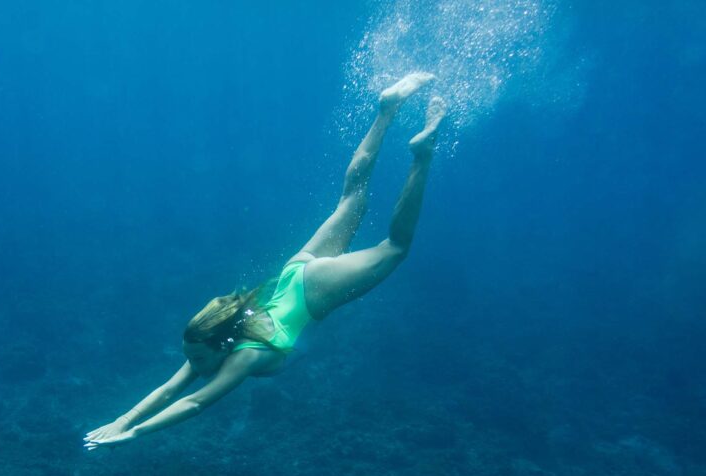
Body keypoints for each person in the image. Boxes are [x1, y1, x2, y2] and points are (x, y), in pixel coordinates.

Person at [84, 73, 446, 451]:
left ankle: (423, 153)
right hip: (296, 272)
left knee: (396, 247)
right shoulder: (211, 345)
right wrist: (121, 419)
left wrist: (133, 433)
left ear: (221, 344)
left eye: (196, 358)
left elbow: (194, 401)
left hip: (311, 289)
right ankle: (387, 110)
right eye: (190, 357)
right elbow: (168, 390)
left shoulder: (244, 356)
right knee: (352, 201)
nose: (192, 365)